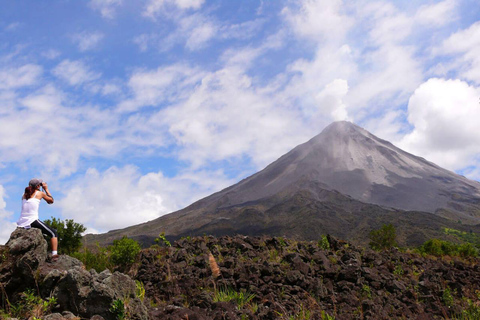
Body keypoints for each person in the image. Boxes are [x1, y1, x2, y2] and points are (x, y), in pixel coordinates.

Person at [17, 178, 59, 260]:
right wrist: (46, 189)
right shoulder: (40, 193)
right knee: (54, 233)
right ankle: (54, 254)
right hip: (32, 221)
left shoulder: (24, 195)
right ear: (38, 186)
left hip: (22, 222)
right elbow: (51, 201)